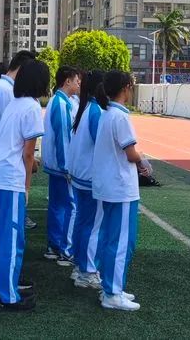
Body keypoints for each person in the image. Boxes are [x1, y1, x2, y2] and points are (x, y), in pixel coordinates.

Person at [0, 60, 49, 311]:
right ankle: (7, 295)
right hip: (9, 178)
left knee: (2, 236)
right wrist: (27, 188)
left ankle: (5, 284)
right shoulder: (31, 106)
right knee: (12, 238)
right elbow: (28, 155)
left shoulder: (15, 103)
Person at [92, 70, 150, 311]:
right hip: (120, 187)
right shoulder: (119, 117)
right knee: (122, 242)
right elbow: (130, 152)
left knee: (110, 238)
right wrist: (143, 161)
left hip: (108, 185)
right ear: (126, 87)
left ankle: (111, 286)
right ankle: (112, 292)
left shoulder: (107, 114)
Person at [0, 51, 38, 238]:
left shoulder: (4, 88)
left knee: (0, 222)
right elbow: (18, 136)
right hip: (6, 166)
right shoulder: (7, 92)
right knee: (6, 230)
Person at [66, 70, 105, 289]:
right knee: (92, 226)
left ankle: (80, 267)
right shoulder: (95, 111)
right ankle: (88, 271)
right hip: (90, 178)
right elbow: (103, 144)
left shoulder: (85, 109)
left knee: (82, 223)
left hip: (80, 175)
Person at [42, 66, 81, 265]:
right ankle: (65, 249)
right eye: (76, 81)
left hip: (55, 164)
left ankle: (54, 246)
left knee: (58, 206)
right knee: (69, 206)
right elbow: (63, 137)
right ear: (67, 81)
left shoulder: (58, 101)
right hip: (61, 165)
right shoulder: (62, 104)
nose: (78, 84)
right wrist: (67, 167)